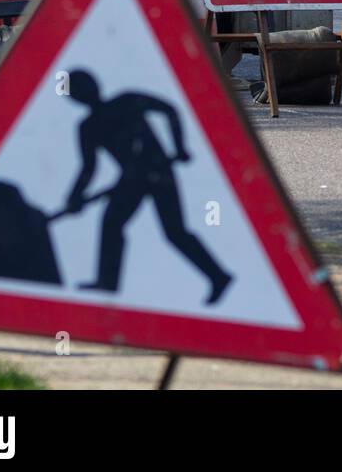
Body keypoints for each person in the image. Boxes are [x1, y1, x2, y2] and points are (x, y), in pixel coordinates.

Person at [64, 69, 232, 305]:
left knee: (174, 231)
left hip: (158, 171)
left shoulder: (127, 101)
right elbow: (88, 168)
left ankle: (219, 276)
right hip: (131, 180)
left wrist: (180, 146)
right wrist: (74, 197)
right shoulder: (88, 127)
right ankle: (107, 282)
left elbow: (169, 110)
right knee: (111, 223)